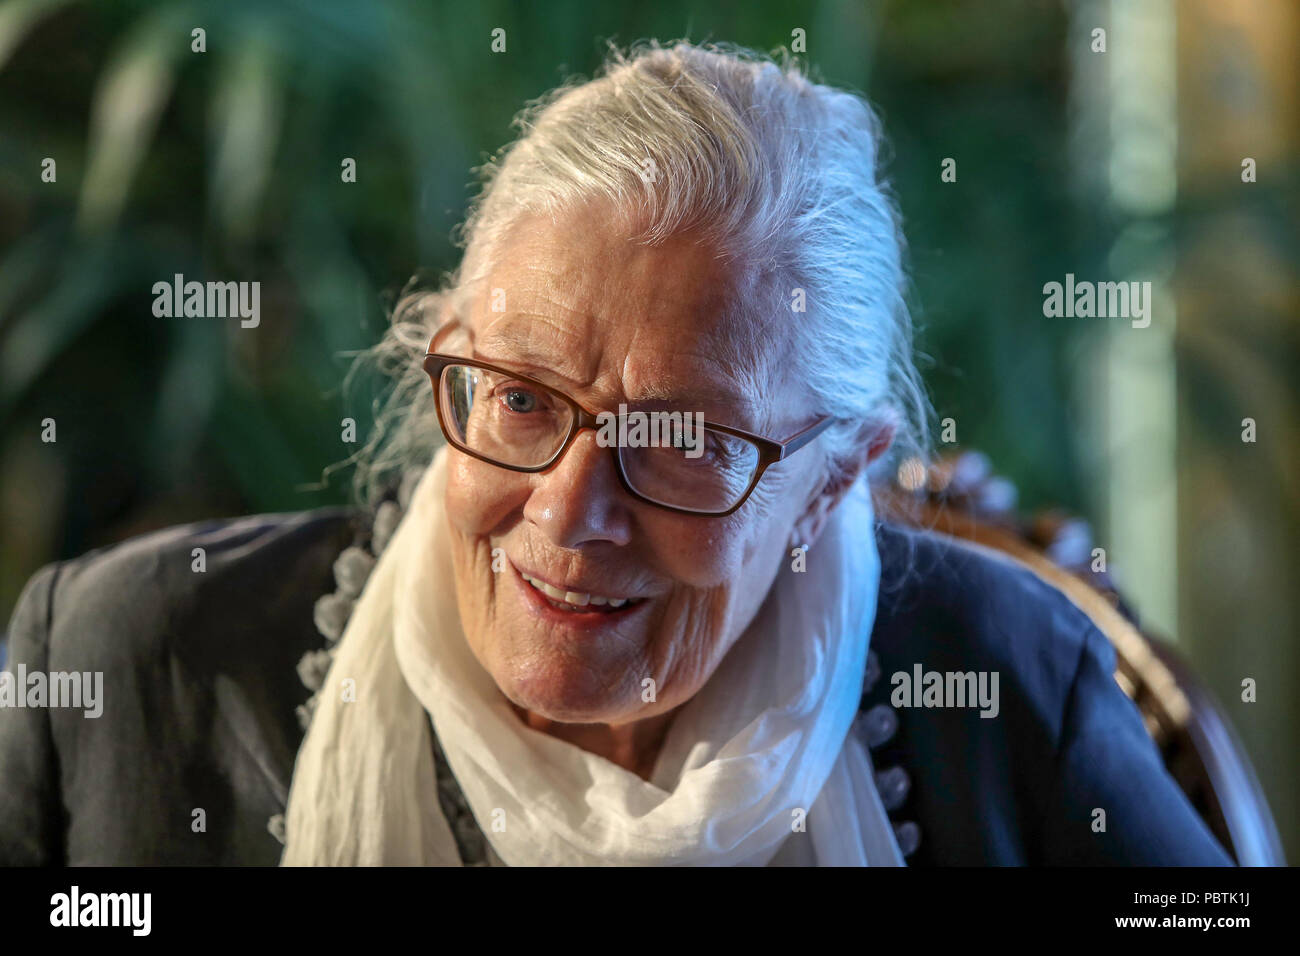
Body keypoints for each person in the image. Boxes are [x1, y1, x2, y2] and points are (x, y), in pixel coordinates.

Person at [0, 40, 1232, 866]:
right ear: (448, 353)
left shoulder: (1002, 684)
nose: (569, 511)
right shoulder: (128, 669)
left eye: (685, 443)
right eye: (523, 402)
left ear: (835, 476)